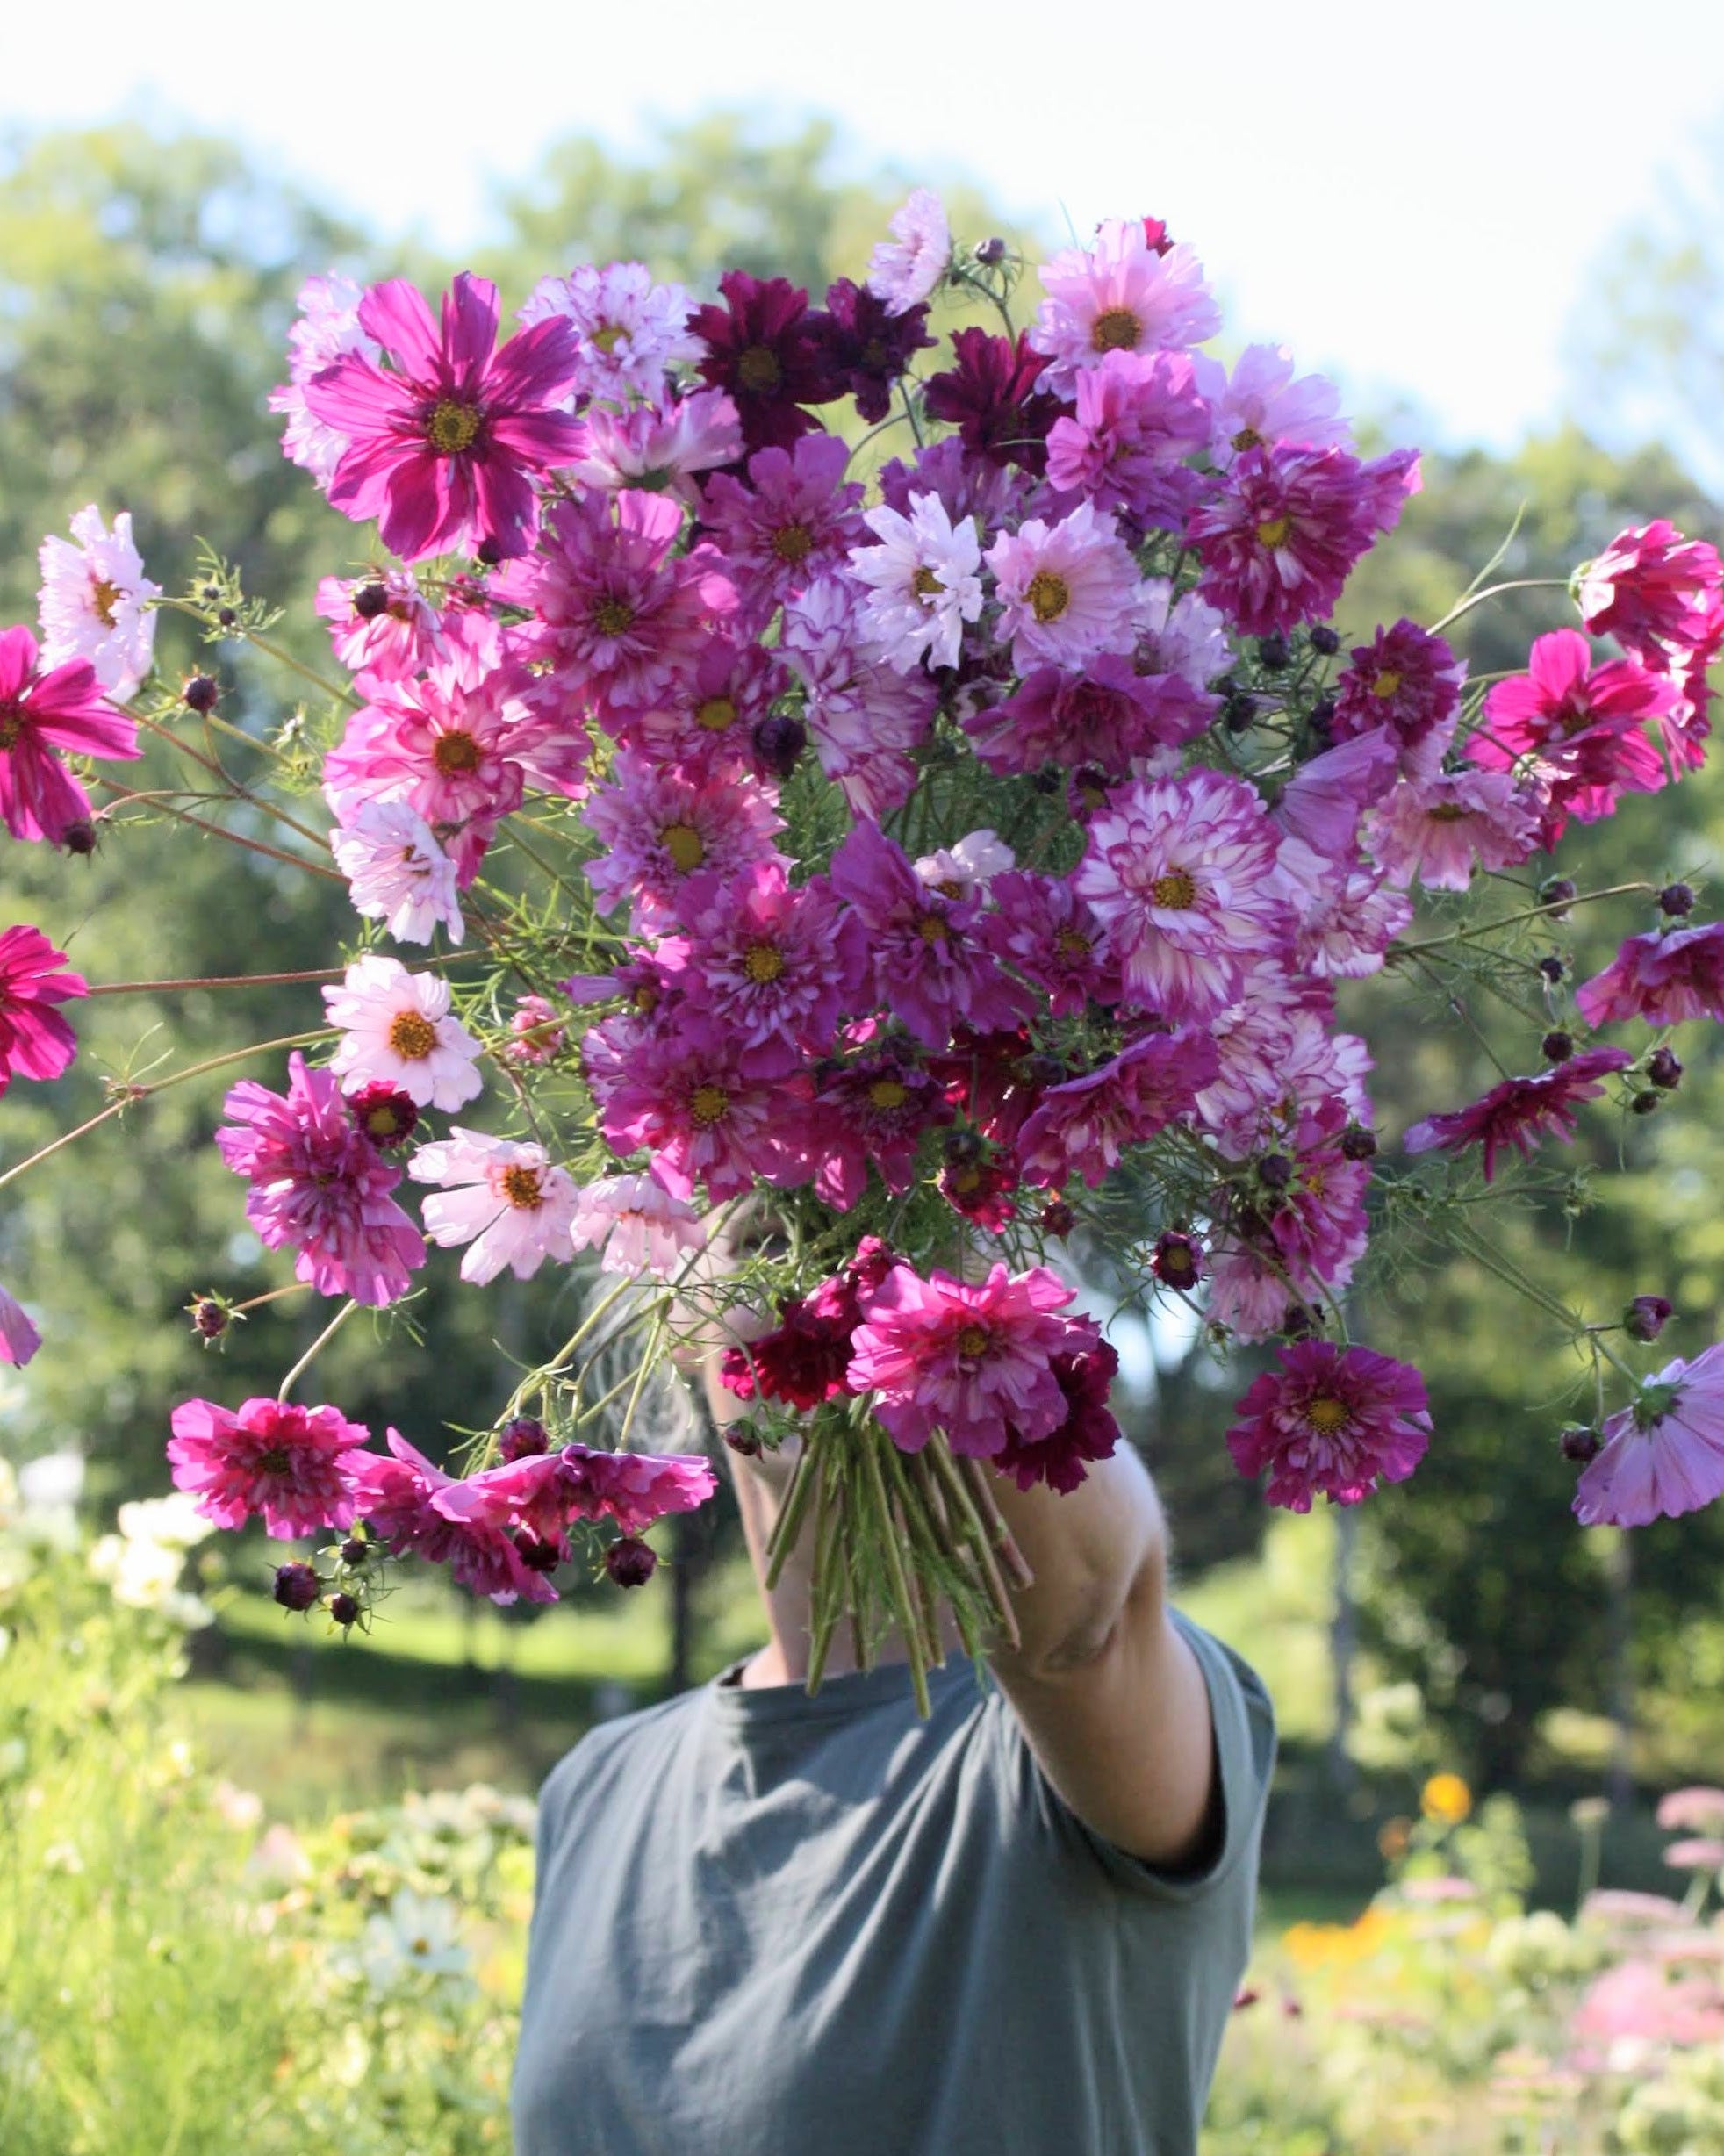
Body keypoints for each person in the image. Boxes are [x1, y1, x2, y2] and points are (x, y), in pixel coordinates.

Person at [514, 1337, 1275, 2155]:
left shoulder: (1068, 1744)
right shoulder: (597, 1785)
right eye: (764, 1244)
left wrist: (948, 1333)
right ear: (677, 1313)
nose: (826, 1281)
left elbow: (1082, 1632)